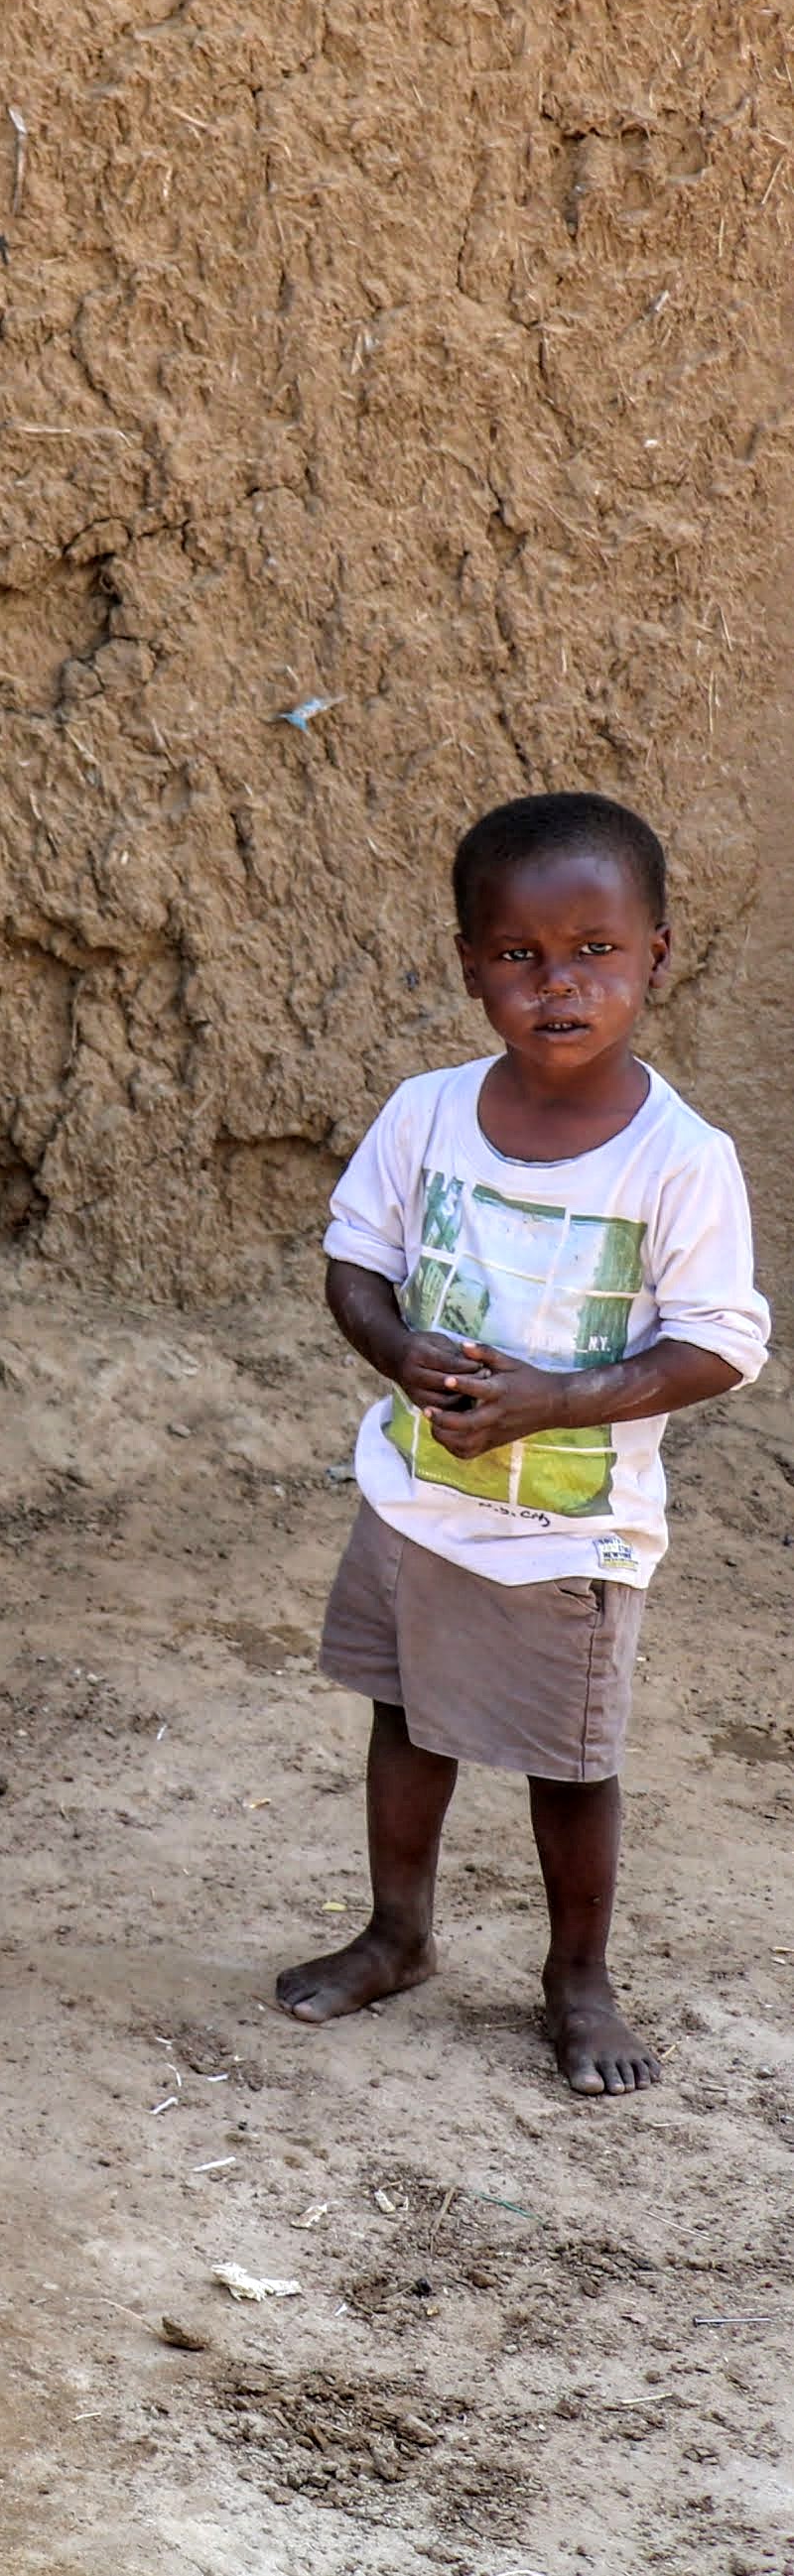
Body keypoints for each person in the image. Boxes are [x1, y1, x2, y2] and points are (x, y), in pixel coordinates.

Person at [275, 793, 763, 2098]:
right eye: (517, 956)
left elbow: (721, 1343)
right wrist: (394, 1353)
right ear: (467, 966)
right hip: (414, 1500)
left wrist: (555, 1399)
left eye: (594, 950)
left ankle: (576, 1978)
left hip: (571, 1531)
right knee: (406, 1720)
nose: (558, 982)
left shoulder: (679, 1161)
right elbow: (354, 1264)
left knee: (569, 1761)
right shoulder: (426, 1114)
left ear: (655, 955)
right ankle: (396, 1934)